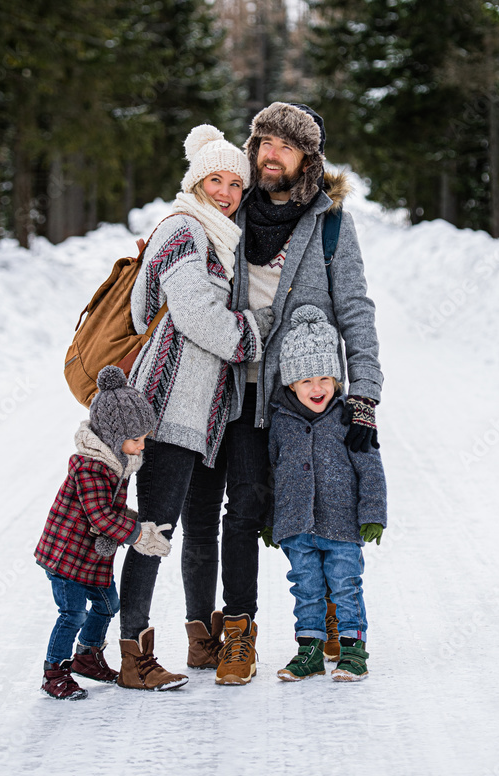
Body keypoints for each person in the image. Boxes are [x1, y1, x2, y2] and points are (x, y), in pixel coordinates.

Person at [216, 101, 383, 685]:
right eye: (265, 141)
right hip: (238, 392)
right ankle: (236, 634)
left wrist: (362, 394)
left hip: (309, 399)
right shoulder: (230, 213)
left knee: (327, 500)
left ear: (306, 158)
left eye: (286, 146)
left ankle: (335, 620)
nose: (272, 154)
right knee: (243, 514)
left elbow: (355, 310)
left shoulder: (330, 220)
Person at [121, 124, 273, 681]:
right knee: (154, 529)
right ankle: (134, 655)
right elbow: (196, 316)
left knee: (199, 524)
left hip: (203, 411)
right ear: (196, 181)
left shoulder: (218, 236)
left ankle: (199, 640)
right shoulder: (185, 229)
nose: (229, 192)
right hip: (168, 406)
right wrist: (257, 331)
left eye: (238, 182)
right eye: (217, 179)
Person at [35, 365, 182, 700]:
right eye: (135, 440)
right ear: (114, 438)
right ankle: (54, 671)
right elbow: (100, 516)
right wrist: (139, 535)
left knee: (107, 604)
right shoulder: (91, 468)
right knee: (72, 613)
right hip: (66, 556)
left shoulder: (118, 463)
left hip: (91, 558)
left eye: (144, 438)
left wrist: (132, 521)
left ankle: (87, 656)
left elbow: (108, 513)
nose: (141, 446)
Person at [268, 305, 387, 681]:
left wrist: (373, 515)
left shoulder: (349, 417)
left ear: (337, 379)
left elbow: (371, 469)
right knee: (306, 590)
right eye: (306, 381)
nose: (317, 388)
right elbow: (272, 473)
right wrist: (270, 519)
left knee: (346, 587)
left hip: (342, 526)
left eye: (325, 378)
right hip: (297, 528)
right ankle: (310, 652)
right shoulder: (280, 423)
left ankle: (353, 652)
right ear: (291, 384)